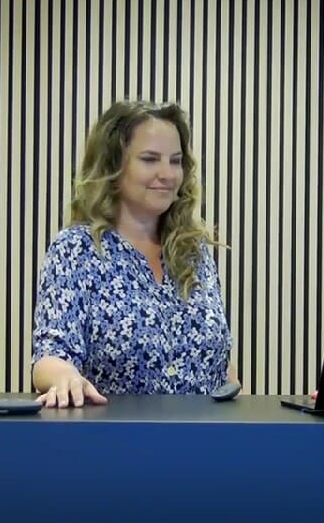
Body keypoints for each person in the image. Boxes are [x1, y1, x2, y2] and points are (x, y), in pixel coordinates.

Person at [31, 100, 236, 408]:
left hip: (208, 445)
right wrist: (64, 377)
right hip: (115, 446)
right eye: (150, 159)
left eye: (175, 161)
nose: (167, 174)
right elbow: (50, 356)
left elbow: (220, 367)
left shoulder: (194, 252)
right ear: (114, 166)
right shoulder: (76, 249)